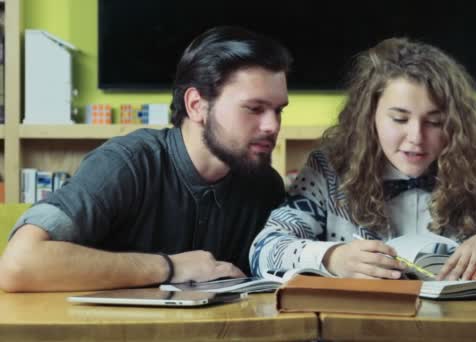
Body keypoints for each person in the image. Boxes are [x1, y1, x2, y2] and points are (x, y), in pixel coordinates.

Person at [0, 26, 292, 292]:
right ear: (196, 105)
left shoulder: (264, 186)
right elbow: (19, 264)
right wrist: (170, 267)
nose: (272, 126)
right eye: (254, 108)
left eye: (278, 110)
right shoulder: (125, 164)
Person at [250, 37, 476, 281]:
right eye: (399, 119)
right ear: (370, 116)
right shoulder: (329, 170)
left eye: (435, 122)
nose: (416, 137)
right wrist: (333, 257)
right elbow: (264, 250)